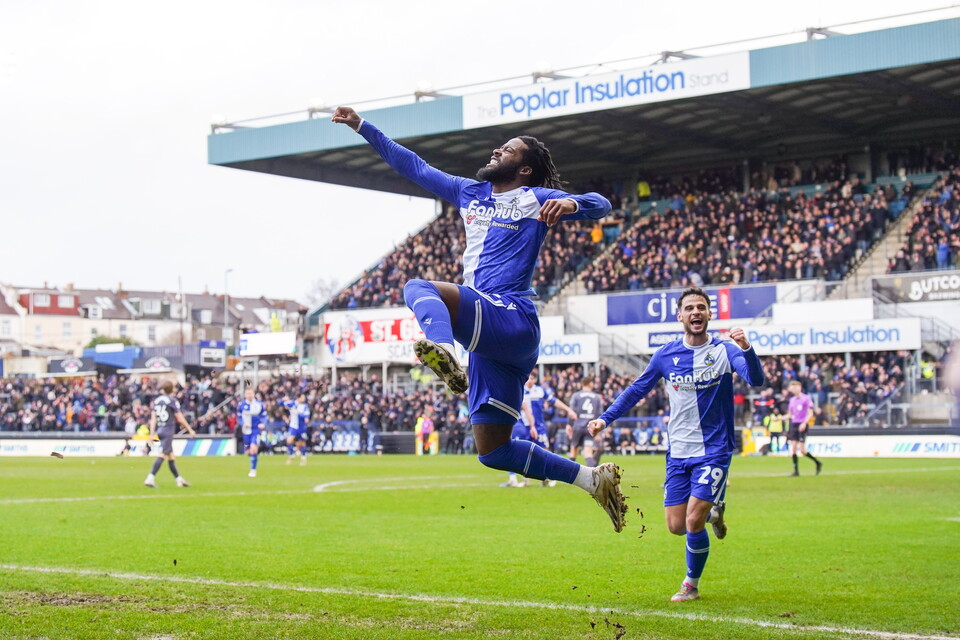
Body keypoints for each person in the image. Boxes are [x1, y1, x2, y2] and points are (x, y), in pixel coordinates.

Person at [332, 106, 626, 532]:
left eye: (506, 149)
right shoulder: (469, 192)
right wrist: (362, 126)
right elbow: (410, 164)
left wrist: (571, 201)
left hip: (510, 315)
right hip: (495, 345)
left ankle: (443, 349)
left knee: (419, 288)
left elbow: (603, 205)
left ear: (524, 168)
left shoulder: (535, 199)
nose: (496, 150)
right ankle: (590, 479)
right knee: (493, 450)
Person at [587, 287, 765, 601]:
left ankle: (691, 585)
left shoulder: (725, 350)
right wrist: (605, 419)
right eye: (690, 308)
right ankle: (714, 513)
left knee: (692, 520)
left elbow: (756, 379)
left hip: (714, 450)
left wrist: (747, 348)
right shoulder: (666, 354)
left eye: (701, 307)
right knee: (676, 526)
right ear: (679, 316)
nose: (696, 313)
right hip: (678, 453)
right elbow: (636, 390)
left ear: (710, 314)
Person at [144, 380, 196, 488]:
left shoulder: (157, 400)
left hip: (160, 429)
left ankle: (179, 480)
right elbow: (179, 417)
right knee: (163, 454)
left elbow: (153, 419)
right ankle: (150, 477)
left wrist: (152, 434)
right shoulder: (172, 400)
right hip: (168, 429)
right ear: (172, 389)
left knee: (171, 456)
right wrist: (189, 429)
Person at [786, 380, 822, 476]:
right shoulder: (792, 400)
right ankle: (796, 471)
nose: (794, 390)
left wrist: (804, 423)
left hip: (802, 424)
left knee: (802, 450)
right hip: (794, 424)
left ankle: (817, 462)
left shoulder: (806, 399)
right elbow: (790, 415)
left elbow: (810, 413)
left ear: (800, 388)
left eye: (795, 387)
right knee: (793, 448)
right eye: (792, 388)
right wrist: (778, 418)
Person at [567, 377, 605, 465]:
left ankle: (568, 476)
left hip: (577, 426)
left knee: (573, 451)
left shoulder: (576, 396)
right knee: (588, 452)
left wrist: (569, 425)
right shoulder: (597, 397)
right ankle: (591, 475)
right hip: (590, 427)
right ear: (590, 383)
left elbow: (571, 411)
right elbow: (600, 414)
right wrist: (598, 431)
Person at [237, 386, 267, 477]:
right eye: (248, 393)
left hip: (255, 430)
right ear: (245, 395)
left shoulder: (259, 404)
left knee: (254, 449)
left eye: (251, 393)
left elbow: (264, 416)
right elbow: (238, 417)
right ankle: (253, 458)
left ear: (254, 394)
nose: (250, 395)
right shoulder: (241, 405)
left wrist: (263, 423)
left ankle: (253, 470)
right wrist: (243, 423)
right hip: (246, 431)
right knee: (248, 452)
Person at [281, 392, 311, 466]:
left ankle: (303, 458)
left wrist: (299, 414)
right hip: (293, 426)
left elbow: (306, 417)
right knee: (289, 441)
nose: (304, 399)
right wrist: (283, 399)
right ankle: (292, 455)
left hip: (301, 427)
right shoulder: (292, 404)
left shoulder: (305, 406)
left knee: (302, 443)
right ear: (298, 397)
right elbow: (280, 403)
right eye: (303, 397)